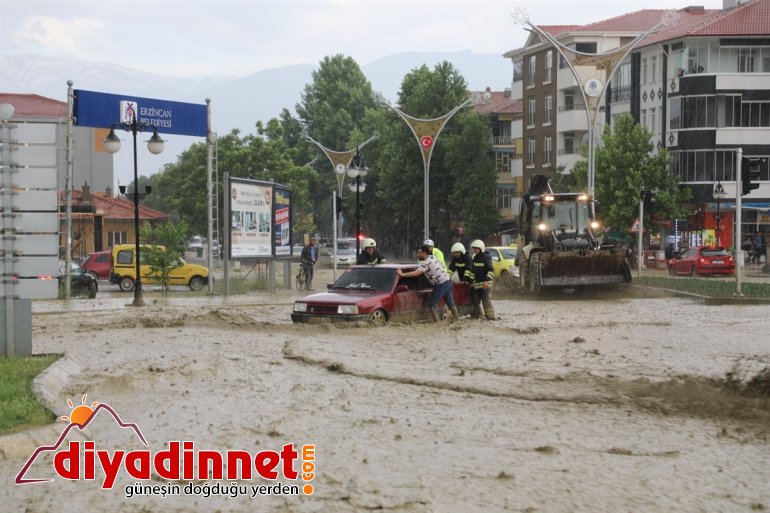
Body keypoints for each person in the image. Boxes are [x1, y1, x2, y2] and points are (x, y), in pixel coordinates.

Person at [397, 245, 459, 323]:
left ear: (424, 253)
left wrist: (402, 274)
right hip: (448, 281)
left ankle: (437, 323)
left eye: (419, 253)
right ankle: (457, 321)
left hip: (441, 284)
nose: (417, 255)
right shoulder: (433, 257)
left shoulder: (426, 263)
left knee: (431, 304)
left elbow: (416, 273)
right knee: (450, 303)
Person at [469, 239, 495, 320]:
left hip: (485, 285)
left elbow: (491, 270)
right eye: (474, 248)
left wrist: (486, 281)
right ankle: (478, 316)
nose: (474, 250)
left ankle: (490, 317)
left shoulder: (486, 257)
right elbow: (473, 272)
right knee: (475, 301)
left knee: (485, 301)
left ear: (481, 248)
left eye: (476, 248)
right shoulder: (475, 258)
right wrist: (470, 282)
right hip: (477, 285)